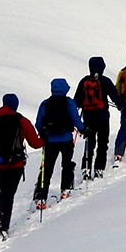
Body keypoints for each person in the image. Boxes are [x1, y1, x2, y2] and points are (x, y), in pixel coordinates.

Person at [0, 93, 43, 243]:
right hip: (16, 164)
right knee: (8, 193)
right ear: (15, 105)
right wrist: (44, 139)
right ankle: (2, 227)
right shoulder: (22, 121)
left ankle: (1, 225)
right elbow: (35, 143)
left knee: (5, 192)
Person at [34, 79, 85, 207]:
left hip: (50, 141)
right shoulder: (69, 103)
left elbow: (38, 123)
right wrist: (83, 129)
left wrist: (43, 133)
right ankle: (65, 189)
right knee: (67, 164)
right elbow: (75, 119)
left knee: (47, 168)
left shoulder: (45, 104)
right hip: (66, 139)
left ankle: (41, 196)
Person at [74, 57, 122, 180]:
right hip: (103, 117)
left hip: (88, 117)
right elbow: (115, 96)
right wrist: (123, 105)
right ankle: (99, 169)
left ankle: (86, 168)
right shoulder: (105, 81)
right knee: (102, 143)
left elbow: (77, 101)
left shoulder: (84, 81)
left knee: (89, 144)